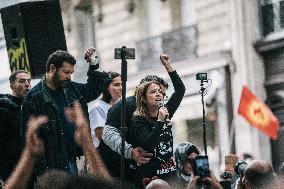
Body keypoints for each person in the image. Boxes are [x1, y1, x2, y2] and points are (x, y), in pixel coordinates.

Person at [21, 48, 110, 177]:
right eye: (66, 72)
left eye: (71, 73)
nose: (69, 77)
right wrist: (42, 173)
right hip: (54, 168)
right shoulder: (33, 99)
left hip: (78, 160)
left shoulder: (71, 88)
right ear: (52, 69)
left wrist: (93, 65)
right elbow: (29, 140)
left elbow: (93, 90)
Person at [131, 54, 185, 187]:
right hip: (151, 176)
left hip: (170, 172)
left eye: (160, 91)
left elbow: (180, 90)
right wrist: (160, 121)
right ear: (143, 98)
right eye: (153, 92)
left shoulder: (166, 111)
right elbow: (148, 145)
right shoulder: (138, 118)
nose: (158, 94)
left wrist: (168, 65)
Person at [0, 70, 31, 182]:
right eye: (22, 81)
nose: (27, 84)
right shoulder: (4, 110)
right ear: (12, 86)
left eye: (28, 81)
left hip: (32, 166)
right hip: (13, 170)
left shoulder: (31, 107)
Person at [89, 71, 122, 147]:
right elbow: (102, 136)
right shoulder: (97, 108)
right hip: (104, 153)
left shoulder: (120, 105)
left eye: (121, 85)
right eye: (116, 85)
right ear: (106, 87)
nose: (120, 88)